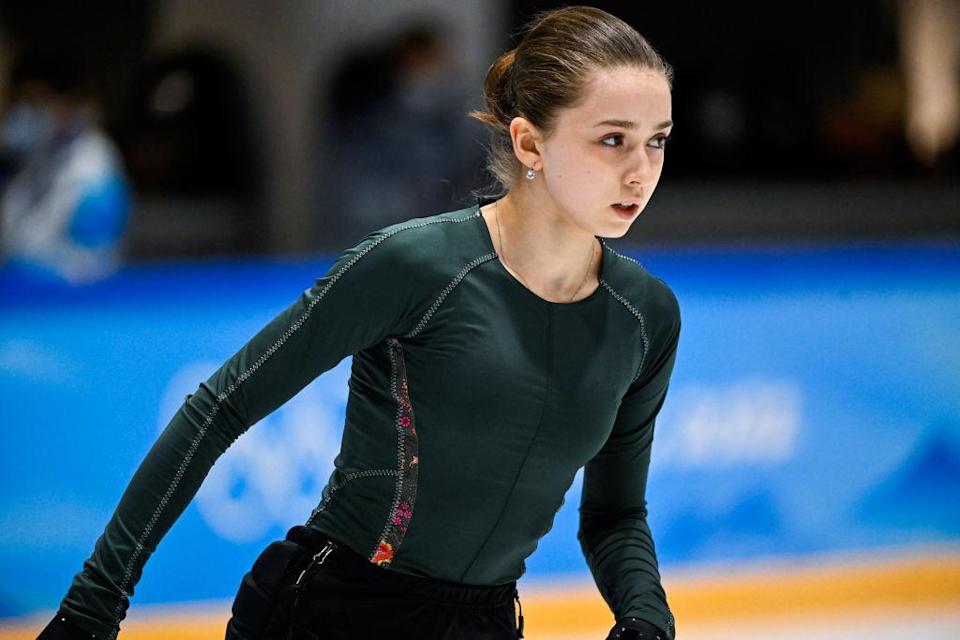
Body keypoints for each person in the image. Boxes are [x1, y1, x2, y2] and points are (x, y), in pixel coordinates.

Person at [38, 6, 679, 640]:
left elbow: (615, 513)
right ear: (529, 142)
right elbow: (218, 408)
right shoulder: (416, 267)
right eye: (613, 139)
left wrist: (648, 617)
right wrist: (91, 611)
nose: (640, 171)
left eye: (656, 140)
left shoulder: (645, 317)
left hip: (484, 627)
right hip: (329, 615)